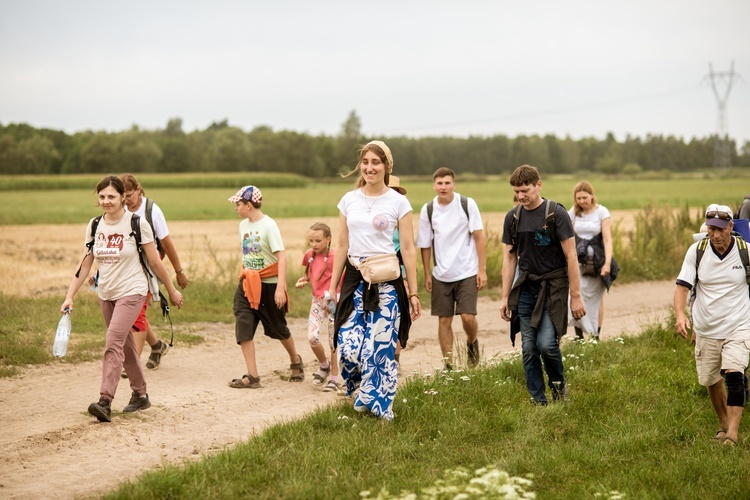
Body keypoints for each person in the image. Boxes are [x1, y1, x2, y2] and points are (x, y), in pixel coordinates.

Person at [60, 176, 183, 422]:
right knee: (125, 345)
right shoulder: (95, 225)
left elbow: (155, 261)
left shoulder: (137, 224)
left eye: (112, 197)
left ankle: (105, 400)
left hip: (133, 290)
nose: (106, 201)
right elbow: (85, 263)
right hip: (106, 292)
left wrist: (171, 288)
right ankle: (140, 394)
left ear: (122, 198)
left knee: (113, 341)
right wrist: (69, 295)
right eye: (102, 197)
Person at [329, 140, 421, 420]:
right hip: (355, 279)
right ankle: (365, 392)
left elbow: (407, 249)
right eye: (366, 162)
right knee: (348, 345)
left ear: (386, 166)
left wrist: (413, 293)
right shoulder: (349, 200)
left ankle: (381, 407)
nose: (370, 167)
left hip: (386, 282)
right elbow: (342, 245)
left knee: (380, 347)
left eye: (376, 162)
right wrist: (333, 286)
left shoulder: (399, 202)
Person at [500, 165, 585, 405]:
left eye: (525, 190)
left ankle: (559, 388)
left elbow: (571, 256)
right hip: (526, 287)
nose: (521, 196)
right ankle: (538, 401)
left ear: (539, 185)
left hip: (554, 287)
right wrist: (505, 297)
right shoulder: (513, 217)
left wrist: (575, 296)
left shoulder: (555, 213)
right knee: (528, 349)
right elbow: (509, 258)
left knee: (547, 344)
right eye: (517, 191)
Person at [674, 204, 750, 447]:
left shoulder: (745, 251)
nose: (716, 235)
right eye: (711, 229)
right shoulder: (696, 251)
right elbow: (682, 287)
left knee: (735, 374)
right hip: (706, 328)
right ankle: (724, 422)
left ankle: (733, 435)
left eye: (720, 229)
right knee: (711, 380)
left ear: (731, 227)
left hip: (738, 324)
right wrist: (680, 315)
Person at [227, 185, 304, 388]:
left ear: (249, 205)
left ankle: (295, 360)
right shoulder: (243, 225)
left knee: (278, 328)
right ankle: (252, 376)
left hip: (269, 285)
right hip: (248, 284)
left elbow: (282, 256)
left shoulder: (269, 226)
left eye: (239, 204)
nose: (236, 207)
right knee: (243, 324)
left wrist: (280, 287)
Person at [416, 167, 487, 369]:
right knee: (444, 320)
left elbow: (479, 237)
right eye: (439, 183)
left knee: (467, 317)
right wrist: (427, 273)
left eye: (447, 183)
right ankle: (449, 366)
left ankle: (472, 342)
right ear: (434, 185)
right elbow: (425, 244)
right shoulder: (428, 210)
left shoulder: (466, 204)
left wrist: (482, 270)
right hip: (441, 274)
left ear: (454, 185)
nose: (443, 187)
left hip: (467, 271)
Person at [120, 173, 189, 372]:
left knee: (137, 313)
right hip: (126, 267)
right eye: (122, 196)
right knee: (131, 312)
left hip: (148, 267)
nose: (126, 200)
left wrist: (178, 272)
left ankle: (132, 365)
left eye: (129, 195)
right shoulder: (120, 208)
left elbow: (166, 243)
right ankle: (157, 346)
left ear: (139, 189)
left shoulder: (151, 210)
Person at [295, 222, 342, 392]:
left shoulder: (337, 256)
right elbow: (311, 274)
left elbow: (341, 281)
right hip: (317, 300)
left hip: (333, 301)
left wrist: (331, 298)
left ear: (328, 239)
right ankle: (324, 365)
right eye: (311, 241)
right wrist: (304, 280)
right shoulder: (309, 255)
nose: (314, 244)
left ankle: (335, 378)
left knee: (333, 340)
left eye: (318, 240)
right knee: (312, 337)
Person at [567, 181, 615, 340]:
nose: (581, 201)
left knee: (595, 298)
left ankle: (595, 335)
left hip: (597, 262)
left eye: (584, 197)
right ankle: (579, 336)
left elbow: (607, 240)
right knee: (576, 294)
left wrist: (607, 263)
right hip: (578, 262)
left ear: (592, 196)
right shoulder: (573, 213)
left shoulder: (602, 212)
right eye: (578, 198)